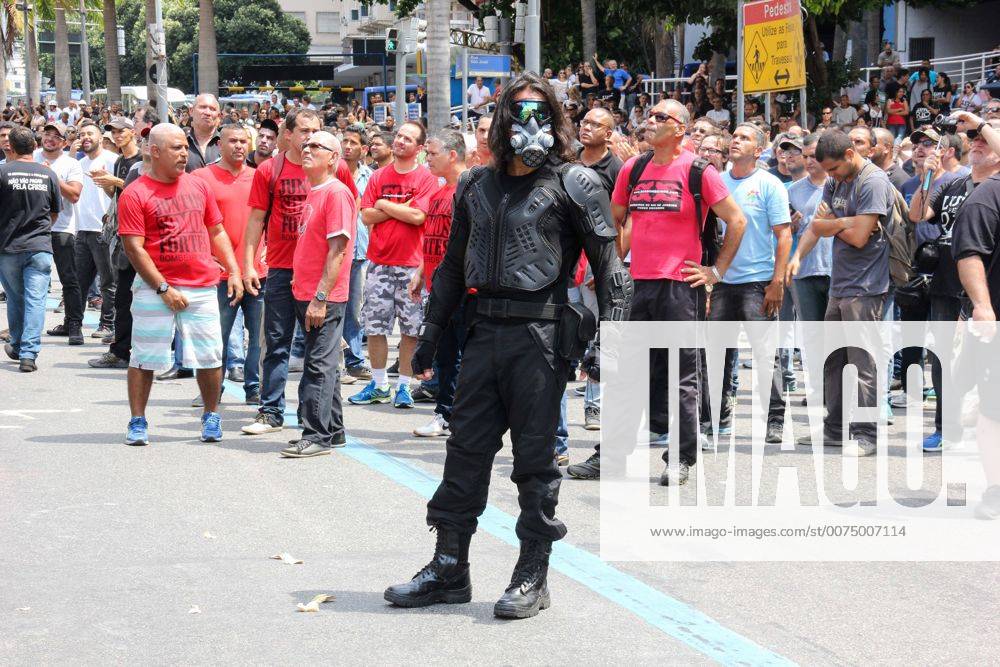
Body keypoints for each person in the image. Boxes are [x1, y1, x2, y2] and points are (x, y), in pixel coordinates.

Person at [383, 72, 632, 619]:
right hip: (482, 334)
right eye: (518, 111)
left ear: (556, 119)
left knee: (536, 460)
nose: (529, 123)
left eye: (540, 112)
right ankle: (449, 565)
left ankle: (532, 574)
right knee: (464, 451)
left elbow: (613, 270)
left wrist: (608, 347)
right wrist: (430, 334)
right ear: (500, 120)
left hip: (541, 337)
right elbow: (451, 266)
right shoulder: (475, 184)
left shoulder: (576, 183)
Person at [568, 98, 747, 484]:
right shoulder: (633, 168)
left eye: (660, 117)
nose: (649, 121)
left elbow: (737, 221)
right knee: (625, 373)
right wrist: (610, 264)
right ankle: (611, 457)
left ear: (680, 128)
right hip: (637, 285)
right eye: (648, 116)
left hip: (681, 288)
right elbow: (613, 220)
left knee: (682, 374)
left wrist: (716, 271)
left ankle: (679, 459)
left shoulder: (700, 171)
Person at [117, 124, 243, 446]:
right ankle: (137, 420)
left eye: (185, 147)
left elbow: (216, 231)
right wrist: (163, 289)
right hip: (154, 288)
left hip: (201, 285)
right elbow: (134, 247)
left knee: (211, 356)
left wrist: (234, 270)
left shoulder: (198, 186)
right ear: (154, 152)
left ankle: (211, 415)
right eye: (175, 148)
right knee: (143, 357)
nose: (184, 153)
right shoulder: (135, 193)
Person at [786, 130, 895, 456]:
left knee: (863, 362)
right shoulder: (836, 182)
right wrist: (796, 257)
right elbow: (816, 227)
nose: (829, 177)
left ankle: (865, 435)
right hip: (840, 284)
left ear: (849, 155)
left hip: (867, 287)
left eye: (833, 169)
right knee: (833, 360)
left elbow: (860, 235)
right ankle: (834, 429)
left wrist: (830, 225)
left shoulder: (873, 181)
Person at [909, 114, 1000, 451]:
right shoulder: (954, 183)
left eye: (984, 138)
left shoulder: (996, 189)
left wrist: (979, 121)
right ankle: (946, 428)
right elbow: (917, 215)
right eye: (972, 137)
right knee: (944, 361)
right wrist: (926, 176)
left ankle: (984, 426)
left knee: (985, 365)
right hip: (947, 286)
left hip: (989, 292)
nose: (976, 140)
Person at [240, 108, 323, 436]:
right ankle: (270, 411)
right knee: (275, 341)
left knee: (316, 347)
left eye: (315, 131)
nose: (310, 137)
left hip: (316, 273)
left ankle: (309, 413)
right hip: (280, 268)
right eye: (304, 131)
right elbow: (256, 220)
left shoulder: (331, 167)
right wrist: (248, 262)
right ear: (287, 134)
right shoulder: (268, 170)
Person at [710, 123, 792, 442]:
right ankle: (716, 415)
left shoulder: (770, 185)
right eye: (734, 136)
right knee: (715, 353)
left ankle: (774, 418)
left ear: (758, 150)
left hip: (758, 282)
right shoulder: (716, 183)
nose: (735, 141)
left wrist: (777, 281)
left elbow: (784, 236)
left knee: (764, 355)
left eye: (744, 138)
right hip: (720, 282)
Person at [279, 131, 356, 458]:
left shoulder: (336, 193)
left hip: (323, 297)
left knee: (318, 367)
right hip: (307, 292)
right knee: (323, 364)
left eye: (317, 147)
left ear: (333, 158)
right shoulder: (316, 191)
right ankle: (333, 431)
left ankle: (316, 435)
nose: (308, 149)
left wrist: (321, 297)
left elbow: (338, 251)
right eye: (306, 144)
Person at [349, 121, 437, 409]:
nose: (400, 141)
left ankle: (403, 386)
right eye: (399, 136)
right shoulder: (378, 176)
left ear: (419, 148)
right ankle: (378, 384)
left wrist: (384, 205)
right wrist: (397, 207)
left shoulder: (425, 178)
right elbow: (366, 216)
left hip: (412, 265)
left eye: (407, 139)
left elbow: (418, 218)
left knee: (411, 329)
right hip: (379, 262)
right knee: (375, 327)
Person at [191, 125, 264, 406]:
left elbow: (268, 220)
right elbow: (193, 221)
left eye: (244, 141)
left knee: (258, 337)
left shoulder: (259, 177)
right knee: (215, 337)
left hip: (257, 272)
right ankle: (212, 389)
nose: (238, 146)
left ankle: (254, 388)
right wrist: (203, 255)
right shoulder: (202, 178)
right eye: (232, 141)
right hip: (218, 274)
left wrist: (267, 252)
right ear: (219, 144)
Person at [951, 139, 1000, 519]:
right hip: (995, 324)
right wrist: (982, 308)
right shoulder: (986, 198)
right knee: (994, 410)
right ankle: (995, 490)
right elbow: (970, 254)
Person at [410, 130, 469, 437]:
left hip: (459, 289)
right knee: (445, 355)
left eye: (432, 154)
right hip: (437, 287)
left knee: (458, 356)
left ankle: (452, 415)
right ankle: (446, 414)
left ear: (453, 155)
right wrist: (421, 272)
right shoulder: (437, 193)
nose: (427, 159)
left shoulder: (467, 192)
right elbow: (433, 240)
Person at [0, 126, 61, 372]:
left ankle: (18, 344)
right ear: (35, 147)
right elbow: (55, 213)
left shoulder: (3, 173)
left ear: (10, 148)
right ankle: (28, 353)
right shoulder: (48, 174)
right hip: (39, 246)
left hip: (9, 248)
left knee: (15, 298)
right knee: (36, 300)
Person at [87, 116, 144, 369]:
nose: (117, 136)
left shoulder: (143, 160)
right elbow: (119, 195)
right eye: (114, 132)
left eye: (121, 131)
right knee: (122, 295)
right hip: (122, 233)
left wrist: (115, 182)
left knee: (133, 296)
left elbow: (142, 189)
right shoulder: (120, 160)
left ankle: (125, 350)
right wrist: (105, 184)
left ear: (132, 133)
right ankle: (121, 349)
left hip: (140, 236)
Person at [35, 122, 85, 346]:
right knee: (31, 280)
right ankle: (25, 326)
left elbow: (74, 195)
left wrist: (52, 175)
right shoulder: (31, 156)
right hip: (34, 230)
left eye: (56, 136)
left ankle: (73, 324)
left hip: (62, 229)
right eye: (47, 134)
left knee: (69, 279)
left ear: (64, 142)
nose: (50, 139)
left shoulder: (71, 163)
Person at [74, 121, 119, 341]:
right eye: (82, 134)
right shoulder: (78, 164)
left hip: (104, 231)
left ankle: (107, 323)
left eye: (90, 133)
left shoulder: (112, 161)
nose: (85, 137)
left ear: (101, 137)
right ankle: (73, 323)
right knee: (79, 281)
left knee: (108, 282)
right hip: (81, 230)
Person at [788, 133, 834, 323]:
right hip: (804, 271)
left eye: (813, 156)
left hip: (836, 270)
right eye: (805, 156)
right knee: (813, 336)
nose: (808, 161)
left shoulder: (840, 185)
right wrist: (791, 226)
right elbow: (784, 232)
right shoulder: (792, 190)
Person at [340, 126, 375, 382]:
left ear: (363, 149)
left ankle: (354, 359)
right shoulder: (330, 173)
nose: (347, 146)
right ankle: (336, 362)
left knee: (354, 310)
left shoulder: (370, 177)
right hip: (335, 251)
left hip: (361, 252)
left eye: (353, 143)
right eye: (345, 141)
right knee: (332, 309)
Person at [186, 94, 222, 172]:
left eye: (212, 109)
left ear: (218, 116)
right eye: (203, 107)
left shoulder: (227, 143)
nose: (207, 113)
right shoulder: (180, 142)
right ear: (191, 111)